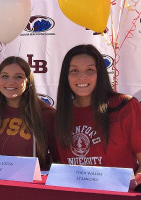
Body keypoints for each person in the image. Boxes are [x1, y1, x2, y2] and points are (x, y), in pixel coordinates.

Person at [55, 44, 141, 176]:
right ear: (66, 76)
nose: (82, 76)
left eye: (90, 70)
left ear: (100, 74)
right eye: (74, 70)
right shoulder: (61, 115)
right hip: (75, 195)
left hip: (121, 195)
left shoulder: (126, 106)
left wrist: (131, 189)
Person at [0, 56, 57, 169]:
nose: (11, 82)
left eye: (18, 77)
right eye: (5, 76)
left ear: (28, 81)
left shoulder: (46, 114)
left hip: (32, 185)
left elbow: (58, 160)